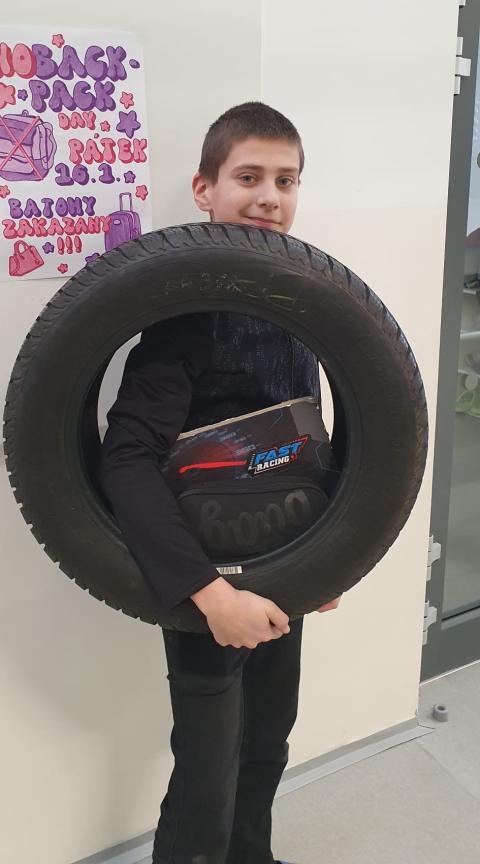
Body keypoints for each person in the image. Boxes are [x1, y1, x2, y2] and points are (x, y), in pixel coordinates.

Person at [99, 102, 341, 864]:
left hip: (285, 566)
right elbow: (126, 459)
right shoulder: (185, 315)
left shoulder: (308, 302)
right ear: (204, 189)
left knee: (267, 747)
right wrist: (211, 596)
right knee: (207, 779)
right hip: (207, 584)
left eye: (286, 180)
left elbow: (310, 438)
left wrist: (331, 555)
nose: (269, 196)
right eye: (249, 177)